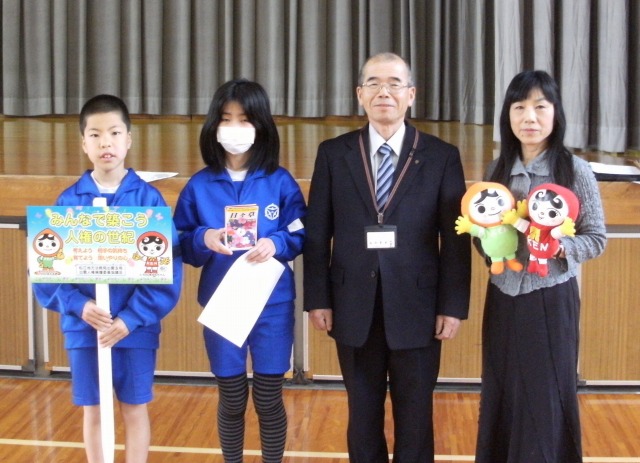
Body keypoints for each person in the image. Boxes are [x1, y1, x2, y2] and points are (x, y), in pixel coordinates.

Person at [303, 52, 471, 463]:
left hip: (418, 306)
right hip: (352, 304)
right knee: (362, 414)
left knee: (416, 416)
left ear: (410, 94)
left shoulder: (441, 155)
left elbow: (455, 239)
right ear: (360, 94)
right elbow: (317, 231)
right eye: (374, 83)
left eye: (395, 83)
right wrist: (317, 298)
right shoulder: (333, 153)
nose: (385, 91)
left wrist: (452, 306)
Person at [32, 94, 183, 463]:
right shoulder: (68, 203)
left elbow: (166, 272)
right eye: (96, 135)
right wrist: (78, 306)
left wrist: (130, 319)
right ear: (83, 143)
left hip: (135, 330)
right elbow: (47, 274)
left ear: (128, 139)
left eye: (115, 133)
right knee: (94, 411)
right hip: (85, 329)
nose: (106, 143)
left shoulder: (149, 201)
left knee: (134, 408)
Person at [474, 70, 607, 462]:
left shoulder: (574, 170)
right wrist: (490, 244)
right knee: (501, 390)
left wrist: (554, 246)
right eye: (519, 107)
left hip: (550, 299)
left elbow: (596, 238)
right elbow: (483, 236)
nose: (529, 117)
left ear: (555, 114)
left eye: (539, 107)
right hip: (502, 296)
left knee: (545, 394)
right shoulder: (496, 172)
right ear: (508, 116)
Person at [173, 79, 306, 463]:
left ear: (261, 125)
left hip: (272, 303)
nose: (234, 127)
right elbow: (180, 239)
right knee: (231, 397)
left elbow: (302, 228)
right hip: (223, 303)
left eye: (244, 119)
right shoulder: (199, 186)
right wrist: (204, 237)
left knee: (268, 397)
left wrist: (277, 243)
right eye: (226, 119)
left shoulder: (279, 181)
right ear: (214, 126)